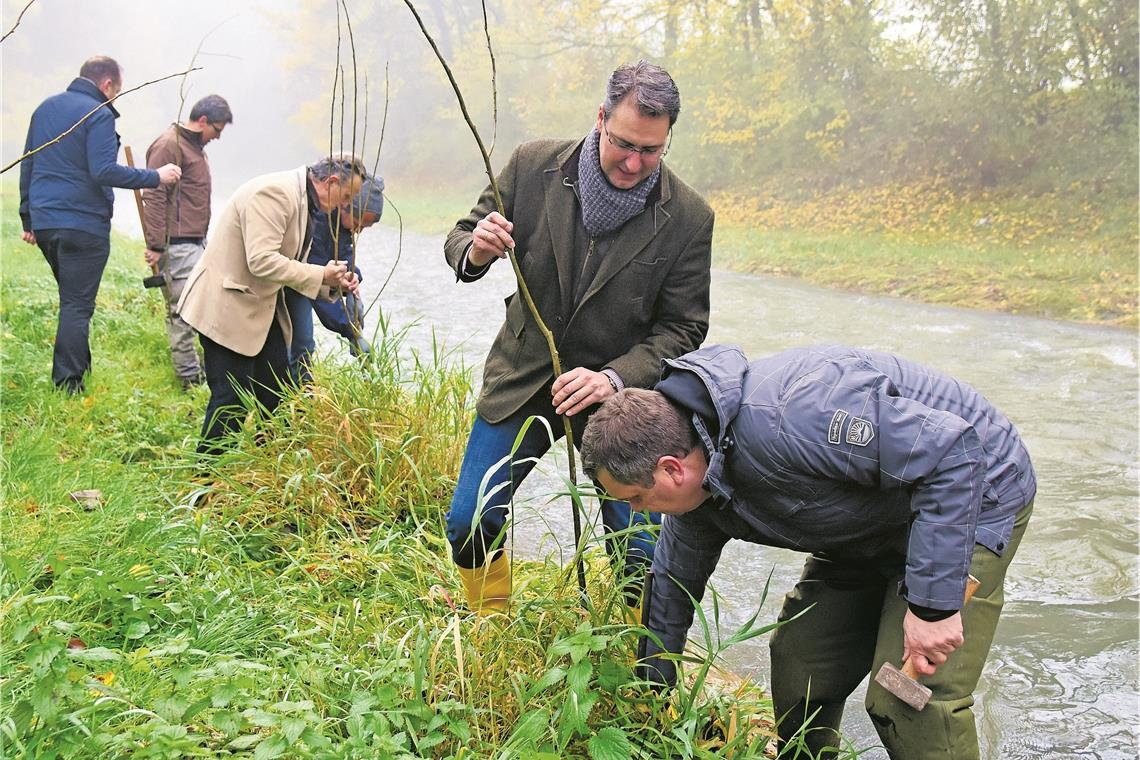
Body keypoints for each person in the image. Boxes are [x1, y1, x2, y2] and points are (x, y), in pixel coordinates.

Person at [580, 343, 1037, 760]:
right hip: (869, 520)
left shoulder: (793, 418)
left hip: (972, 494)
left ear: (671, 469)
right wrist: (647, 701)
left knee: (908, 700)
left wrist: (932, 609)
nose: (638, 511)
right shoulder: (697, 494)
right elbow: (671, 594)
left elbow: (951, 453)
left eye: (635, 498)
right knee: (802, 664)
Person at [443, 60, 714, 617]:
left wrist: (613, 379)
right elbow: (463, 235)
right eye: (624, 143)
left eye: (653, 151)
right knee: (470, 519)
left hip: (622, 401)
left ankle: (644, 669)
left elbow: (686, 329)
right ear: (600, 118)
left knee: (641, 549)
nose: (635, 162)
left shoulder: (689, 217)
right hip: (522, 378)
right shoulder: (531, 165)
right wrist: (477, 249)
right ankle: (490, 629)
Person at [177, 155, 368, 456]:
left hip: (259, 311)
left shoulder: (305, 199)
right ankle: (204, 481)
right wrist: (321, 273)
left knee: (277, 392)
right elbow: (262, 261)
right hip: (228, 308)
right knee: (231, 401)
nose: (344, 206)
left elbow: (292, 263)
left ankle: (272, 469)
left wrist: (333, 282)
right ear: (331, 182)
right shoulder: (276, 193)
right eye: (345, 197)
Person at [18, 56, 182, 394]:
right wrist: (156, 177)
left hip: (47, 222)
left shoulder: (45, 108)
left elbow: (28, 164)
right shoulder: (99, 114)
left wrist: (28, 218)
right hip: (83, 225)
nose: (115, 98)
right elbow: (103, 171)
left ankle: (80, 368)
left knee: (72, 300)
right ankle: (68, 385)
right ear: (107, 85)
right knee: (77, 305)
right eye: (117, 91)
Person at [141, 94, 234, 390]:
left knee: (204, 310)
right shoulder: (169, 145)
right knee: (182, 314)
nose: (218, 137)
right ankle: (189, 381)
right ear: (203, 120)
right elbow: (153, 194)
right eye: (217, 130)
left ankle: (202, 373)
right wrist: (156, 245)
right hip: (177, 246)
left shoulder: (196, 148)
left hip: (196, 244)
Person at [285, 176, 385, 383]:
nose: (358, 230)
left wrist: (353, 276)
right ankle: (299, 401)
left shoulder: (343, 226)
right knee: (301, 344)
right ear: (345, 207)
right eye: (359, 224)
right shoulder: (319, 221)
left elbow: (343, 258)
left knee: (302, 343)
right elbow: (317, 275)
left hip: (312, 280)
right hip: (294, 283)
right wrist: (350, 330)